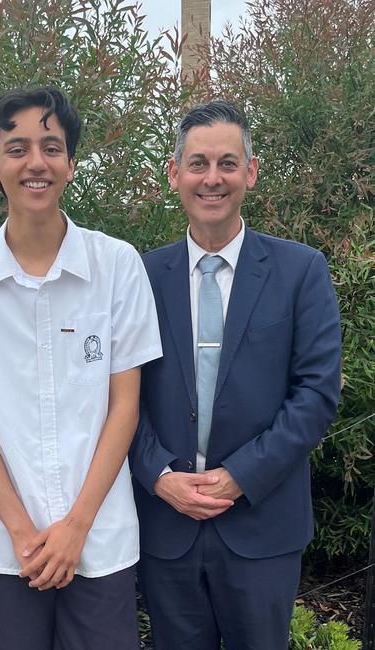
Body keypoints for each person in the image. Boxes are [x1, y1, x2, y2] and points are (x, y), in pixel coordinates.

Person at [0, 86, 162, 650]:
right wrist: (24, 534)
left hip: (100, 539)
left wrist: (75, 528)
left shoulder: (117, 266)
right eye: (16, 148)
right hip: (5, 547)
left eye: (51, 146)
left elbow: (125, 406)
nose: (36, 162)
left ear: (71, 163)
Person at [129, 100, 342, 649]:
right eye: (198, 163)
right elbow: (119, 394)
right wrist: (158, 476)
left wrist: (238, 476)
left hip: (262, 525)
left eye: (227, 163)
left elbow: (315, 395)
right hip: (166, 523)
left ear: (250, 172)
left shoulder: (300, 271)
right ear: (175, 175)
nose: (212, 178)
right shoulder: (139, 276)